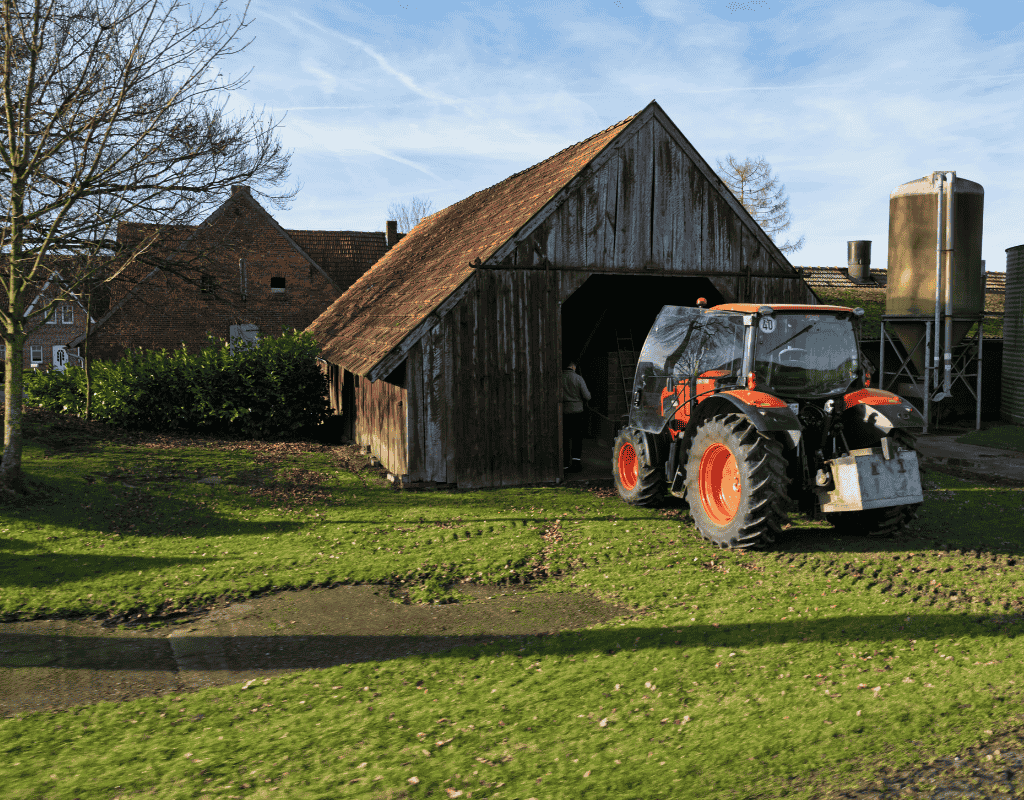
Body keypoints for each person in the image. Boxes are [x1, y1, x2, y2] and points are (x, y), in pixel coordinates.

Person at [562, 361, 591, 473]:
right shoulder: (578, 378)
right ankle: (576, 463)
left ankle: (564, 463)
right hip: (577, 412)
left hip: (563, 412)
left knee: (564, 438)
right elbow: (587, 396)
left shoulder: (558, 378)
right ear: (573, 367)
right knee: (576, 438)